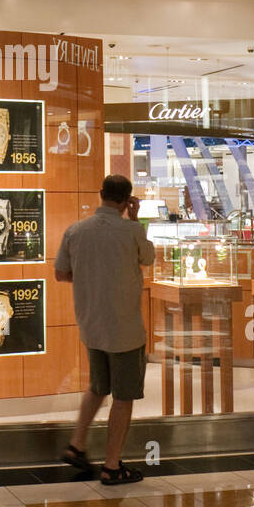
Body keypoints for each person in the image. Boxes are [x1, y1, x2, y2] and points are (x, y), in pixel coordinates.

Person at [54, 173, 155, 485]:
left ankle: (77, 445)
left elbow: (61, 273)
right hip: (124, 329)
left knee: (98, 387)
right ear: (127, 201)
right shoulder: (131, 231)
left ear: (100, 195)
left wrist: (89, 280)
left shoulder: (76, 230)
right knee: (123, 397)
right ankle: (112, 466)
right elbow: (148, 258)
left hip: (92, 326)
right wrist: (137, 220)